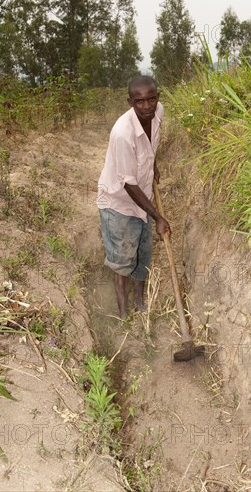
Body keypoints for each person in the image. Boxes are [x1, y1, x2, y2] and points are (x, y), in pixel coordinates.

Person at [97, 75, 171, 319]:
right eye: (139, 101)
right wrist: (158, 217)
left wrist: (153, 164)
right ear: (130, 102)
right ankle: (122, 316)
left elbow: (150, 146)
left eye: (151, 99)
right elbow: (128, 184)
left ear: (157, 97)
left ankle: (140, 304)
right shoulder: (122, 133)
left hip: (144, 198)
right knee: (123, 261)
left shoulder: (158, 112)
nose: (147, 106)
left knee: (142, 255)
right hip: (119, 204)